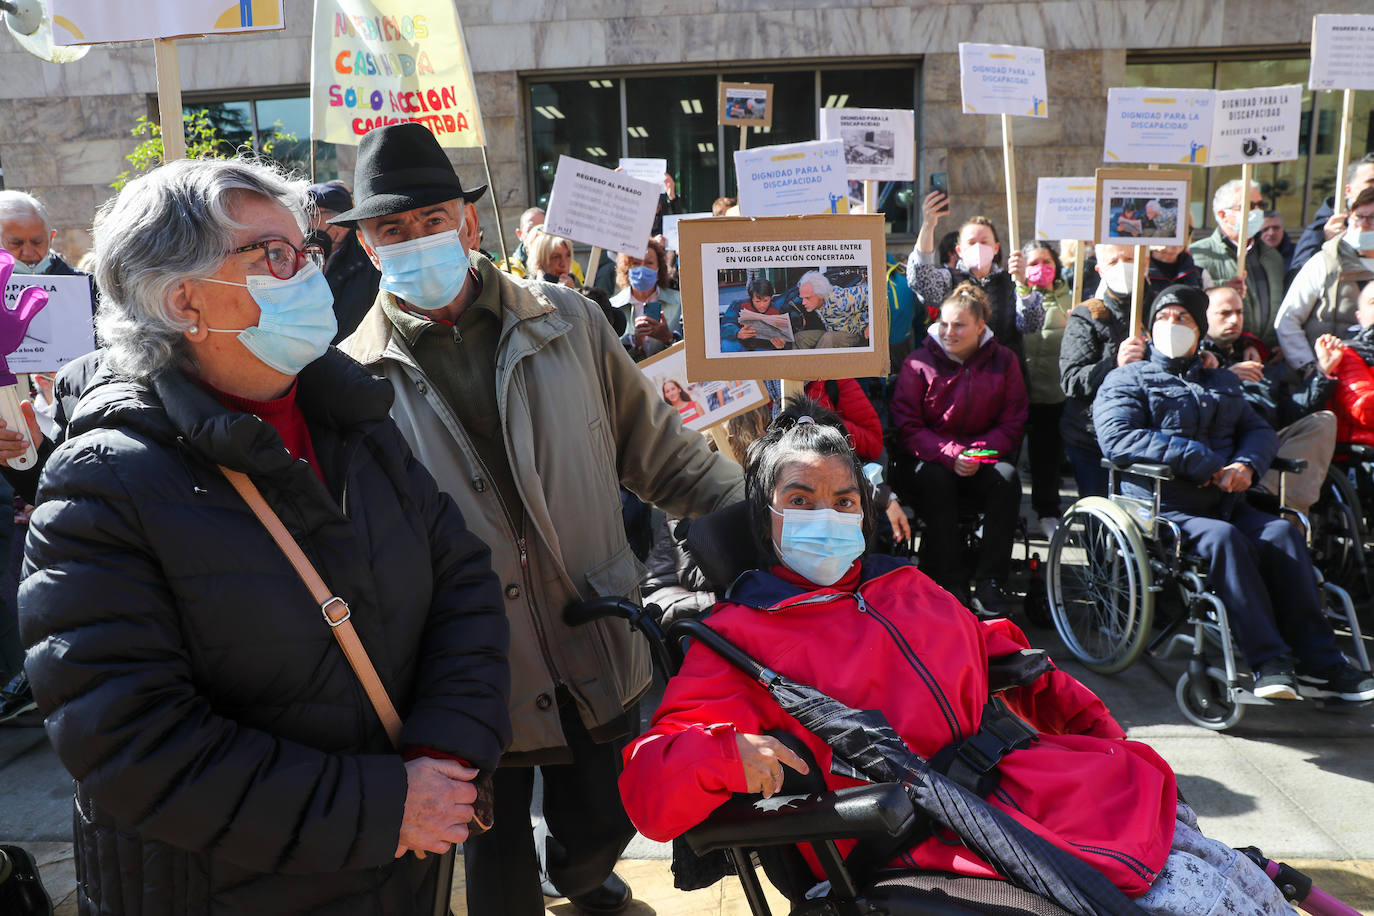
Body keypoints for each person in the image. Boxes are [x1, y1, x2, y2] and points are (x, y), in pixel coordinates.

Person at [18, 156, 513, 914]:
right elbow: (133, 745)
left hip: (402, 870)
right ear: (184, 299)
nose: (308, 273)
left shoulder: (351, 419)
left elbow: (464, 588)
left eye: (306, 250)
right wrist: (382, 807)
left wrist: (444, 754)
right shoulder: (104, 481)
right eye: (272, 254)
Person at [619, 398, 1306, 916]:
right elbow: (649, 790)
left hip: (1030, 786)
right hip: (924, 831)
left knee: (1228, 873)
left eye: (843, 500)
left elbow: (1006, 654)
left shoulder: (902, 584)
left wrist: (1099, 733)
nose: (823, 517)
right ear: (764, 517)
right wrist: (720, 755)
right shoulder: (741, 639)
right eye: (799, 501)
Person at [333, 123, 744, 916]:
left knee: (600, 830)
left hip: (594, 634)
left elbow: (661, 455)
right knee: (496, 878)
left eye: (433, 219)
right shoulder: (352, 379)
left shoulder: (570, 321)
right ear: (370, 247)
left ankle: (585, 878)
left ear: (470, 223)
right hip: (465, 669)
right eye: (393, 229)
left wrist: (769, 527)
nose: (419, 239)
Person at [1094, 284, 1374, 702]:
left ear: (1199, 329)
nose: (1173, 325)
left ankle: (1323, 661)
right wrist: (1202, 461)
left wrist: (1247, 465)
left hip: (1228, 500)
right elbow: (1118, 438)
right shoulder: (1127, 378)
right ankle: (1270, 661)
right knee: (1223, 540)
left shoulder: (1221, 381)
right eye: (1164, 319)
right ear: (1150, 330)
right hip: (1165, 506)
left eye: (1183, 319)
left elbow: (1258, 430)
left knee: (1282, 533)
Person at [890, 283, 1027, 615]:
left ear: (980, 327)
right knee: (936, 481)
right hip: (929, 460)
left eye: (960, 325)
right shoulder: (918, 362)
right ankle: (946, 579)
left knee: (1007, 479)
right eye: (944, 324)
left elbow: (1013, 421)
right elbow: (907, 426)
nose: (949, 332)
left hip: (982, 460)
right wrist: (952, 455)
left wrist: (976, 455)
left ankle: (989, 581)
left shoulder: (1004, 361)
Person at [1203, 285, 1337, 517]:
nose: (1234, 319)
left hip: (1265, 448)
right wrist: (1226, 377)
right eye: (1225, 313)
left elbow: (1289, 412)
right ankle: (1278, 503)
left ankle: (1267, 491)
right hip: (1228, 453)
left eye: (1239, 312)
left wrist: (1322, 372)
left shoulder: (1255, 355)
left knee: (1323, 421)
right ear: (1204, 316)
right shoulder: (1197, 358)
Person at [907, 191, 1043, 368]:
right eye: (971, 242)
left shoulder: (1011, 281)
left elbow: (1031, 325)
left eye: (984, 242)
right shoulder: (949, 279)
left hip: (1002, 377)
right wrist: (928, 225)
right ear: (959, 251)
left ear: (996, 248)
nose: (978, 247)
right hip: (956, 377)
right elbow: (920, 280)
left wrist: (1023, 286)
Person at [1059, 244, 1142, 498]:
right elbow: (1072, 380)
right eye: (1113, 261)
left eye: (1129, 258)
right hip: (1093, 438)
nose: (1123, 266)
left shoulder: (1161, 310)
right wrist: (1114, 363)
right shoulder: (1087, 315)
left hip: (1142, 436)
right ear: (1100, 269)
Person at [1274, 186, 1374, 374]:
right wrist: (1311, 368)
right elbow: (1287, 320)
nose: (1363, 224)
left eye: (1372, 218)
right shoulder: (1325, 262)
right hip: (1329, 377)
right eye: (1358, 217)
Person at [1190, 179, 1285, 352]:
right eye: (1248, 206)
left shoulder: (1272, 257)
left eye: (1260, 205)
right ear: (1222, 215)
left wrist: (1280, 345)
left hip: (1270, 356)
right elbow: (1191, 309)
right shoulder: (1199, 255)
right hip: (1224, 354)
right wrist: (1221, 292)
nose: (1256, 211)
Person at [1021, 241, 1072, 536]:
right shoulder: (1018, 296)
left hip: (1053, 394)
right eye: (1034, 262)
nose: (1041, 267)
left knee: (1047, 459)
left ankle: (1047, 511)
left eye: (1047, 261)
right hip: (1019, 391)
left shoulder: (1071, 297)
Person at [307, 181, 381, 342]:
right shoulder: (299, 258)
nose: (307, 223)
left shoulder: (370, 263)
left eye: (313, 215)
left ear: (340, 222)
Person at [1291, 152, 1374, 275]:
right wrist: (1330, 249)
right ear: (1348, 190)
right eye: (1371, 183)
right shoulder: (1320, 230)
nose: (1365, 223)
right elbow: (1298, 279)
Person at [1323, 280, 1374, 448]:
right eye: (1373, 302)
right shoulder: (1347, 352)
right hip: (1362, 453)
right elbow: (1364, 410)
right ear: (1359, 316)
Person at [611, 237, 681, 358]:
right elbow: (610, 356)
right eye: (636, 263)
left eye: (649, 263)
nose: (642, 269)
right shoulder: (613, 306)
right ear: (627, 268)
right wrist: (634, 343)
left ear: (659, 269)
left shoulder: (679, 302)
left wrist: (669, 338)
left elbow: (690, 349)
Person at [791, 269, 869, 349]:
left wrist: (871, 325)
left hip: (852, 334)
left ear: (820, 294)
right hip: (831, 331)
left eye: (807, 298)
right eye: (802, 298)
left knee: (828, 338)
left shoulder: (841, 299)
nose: (803, 302)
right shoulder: (815, 302)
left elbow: (873, 292)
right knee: (799, 338)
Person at [723, 276, 789, 351]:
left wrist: (782, 344)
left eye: (766, 300)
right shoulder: (738, 305)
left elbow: (786, 334)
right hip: (742, 343)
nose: (762, 305)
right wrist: (737, 332)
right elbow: (726, 325)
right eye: (757, 301)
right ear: (751, 298)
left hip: (764, 347)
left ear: (771, 297)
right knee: (727, 344)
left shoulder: (778, 309)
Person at [1260, 209, 1296, 275]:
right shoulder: (1249, 256)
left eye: (1276, 228)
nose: (1271, 233)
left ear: (1283, 229)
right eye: (1265, 229)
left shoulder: (1296, 253)